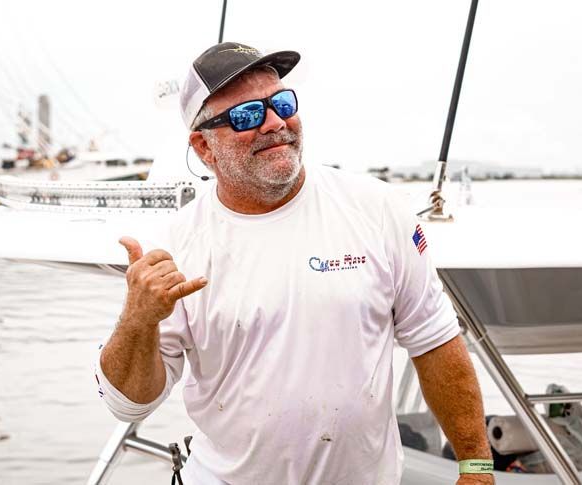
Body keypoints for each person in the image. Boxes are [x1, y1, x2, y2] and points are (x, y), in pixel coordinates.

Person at [96, 42, 494, 484]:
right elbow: (130, 404)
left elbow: (434, 339)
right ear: (203, 148)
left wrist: (476, 466)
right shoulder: (172, 246)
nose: (274, 122)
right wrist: (138, 320)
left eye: (281, 103)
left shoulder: (377, 208)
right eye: (247, 115)